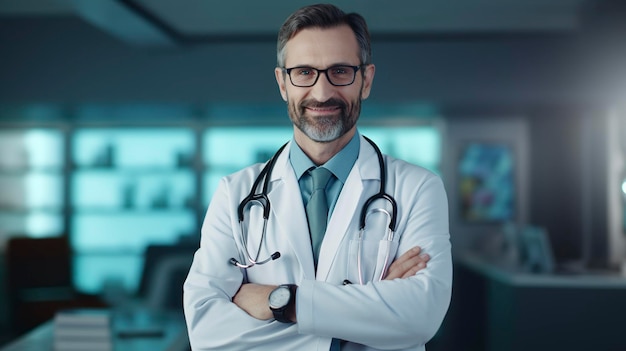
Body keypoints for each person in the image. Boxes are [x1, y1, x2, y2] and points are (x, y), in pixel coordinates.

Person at [183, 4, 452, 350]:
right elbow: (207, 332)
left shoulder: (417, 189)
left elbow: (419, 316)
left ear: (365, 80)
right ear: (283, 83)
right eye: (304, 72)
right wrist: (363, 320)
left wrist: (283, 302)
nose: (322, 92)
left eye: (340, 71)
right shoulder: (234, 194)